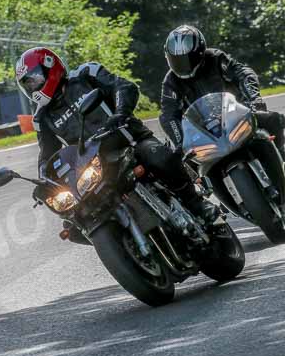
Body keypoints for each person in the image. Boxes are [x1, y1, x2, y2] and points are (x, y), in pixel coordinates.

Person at [14, 47, 219, 226]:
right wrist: (44, 182)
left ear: (51, 67)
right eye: (28, 84)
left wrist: (121, 112)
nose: (33, 87)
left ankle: (197, 204)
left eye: (35, 79)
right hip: (94, 165)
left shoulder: (86, 74)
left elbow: (124, 86)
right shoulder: (42, 118)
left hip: (129, 140)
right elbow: (47, 153)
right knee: (76, 218)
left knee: (160, 157)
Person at [159, 25, 285, 172]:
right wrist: (180, 142)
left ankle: (282, 156)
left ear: (200, 51)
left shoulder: (215, 58)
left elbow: (243, 73)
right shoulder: (171, 81)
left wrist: (255, 99)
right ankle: (201, 189)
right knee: (185, 163)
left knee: (272, 119)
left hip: (235, 113)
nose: (183, 65)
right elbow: (168, 114)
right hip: (203, 129)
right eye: (177, 60)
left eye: (188, 58)